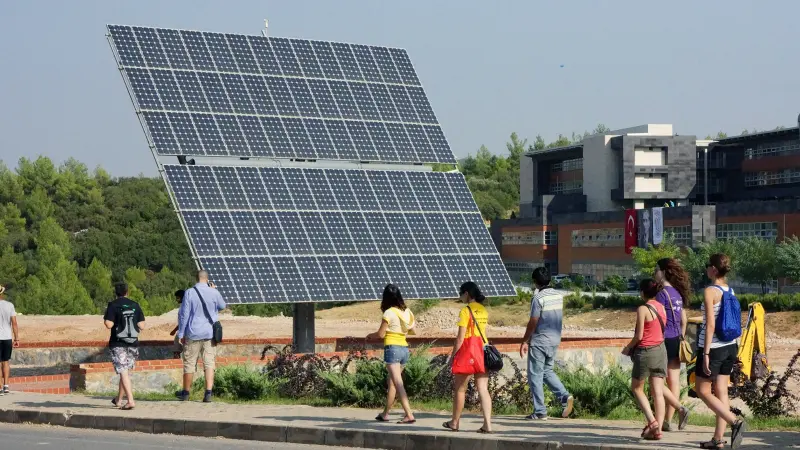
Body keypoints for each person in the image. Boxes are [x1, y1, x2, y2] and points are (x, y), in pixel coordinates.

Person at [621, 279, 686, 441]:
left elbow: (639, 336)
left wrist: (628, 347)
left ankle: (653, 422)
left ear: (642, 292)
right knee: (658, 391)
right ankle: (658, 431)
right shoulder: (661, 307)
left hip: (646, 351)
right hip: (660, 350)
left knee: (637, 388)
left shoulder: (642, 309)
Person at [695, 254, 746, 449]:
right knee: (721, 390)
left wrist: (706, 353)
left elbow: (710, 325)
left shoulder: (710, 291)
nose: (706, 269)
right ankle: (717, 439)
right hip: (730, 345)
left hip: (714, 348)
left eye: (708, 266)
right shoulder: (729, 290)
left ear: (714, 269)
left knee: (702, 390)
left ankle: (735, 422)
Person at [519, 267, 574, 420]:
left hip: (539, 341)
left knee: (535, 376)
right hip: (554, 340)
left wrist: (525, 340)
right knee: (547, 371)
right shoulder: (558, 295)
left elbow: (533, 321)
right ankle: (564, 396)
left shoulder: (538, 298)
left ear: (535, 282)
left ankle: (540, 411)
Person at [443, 282, 493, 434]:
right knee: (483, 389)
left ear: (467, 293)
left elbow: (460, 338)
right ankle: (488, 425)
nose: (460, 297)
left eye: (461, 293)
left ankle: (455, 422)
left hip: (468, 351)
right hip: (482, 350)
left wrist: (453, 356)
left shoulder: (465, 311)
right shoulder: (483, 309)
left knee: (460, 389)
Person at [367, 284, 416, 424]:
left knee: (398, 383)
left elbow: (381, 334)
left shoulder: (389, 312)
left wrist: (370, 336)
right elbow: (413, 331)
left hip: (392, 349)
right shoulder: (407, 311)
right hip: (404, 349)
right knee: (392, 383)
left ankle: (409, 415)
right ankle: (385, 413)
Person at [175, 270, 226, 403]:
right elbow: (222, 306)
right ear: (207, 279)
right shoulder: (214, 292)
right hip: (209, 334)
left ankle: (186, 393)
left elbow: (184, 315)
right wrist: (213, 291)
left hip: (193, 333)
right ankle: (208, 393)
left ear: (196, 278)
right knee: (209, 363)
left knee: (189, 363)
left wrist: (181, 333)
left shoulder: (190, 293)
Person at [653, 258, 691, 431]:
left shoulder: (661, 294)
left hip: (664, 340)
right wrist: (681, 337)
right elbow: (684, 319)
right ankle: (668, 421)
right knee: (674, 382)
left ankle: (679, 409)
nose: (654, 274)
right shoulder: (677, 293)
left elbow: (658, 319)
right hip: (676, 340)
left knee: (657, 381)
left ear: (663, 272)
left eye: (656, 270)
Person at [104, 282, 146, 410]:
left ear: (116, 293)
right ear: (128, 292)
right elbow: (142, 326)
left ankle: (131, 401)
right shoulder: (135, 305)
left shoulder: (113, 305)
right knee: (125, 372)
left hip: (118, 343)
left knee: (123, 371)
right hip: (133, 343)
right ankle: (118, 400)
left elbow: (109, 325)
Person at [0, 285, 19, 396]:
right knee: (5, 362)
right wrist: (16, 338)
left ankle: (0, 387)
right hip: (7, 337)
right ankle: (6, 386)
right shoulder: (9, 305)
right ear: (2, 293)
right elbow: (14, 323)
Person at [169, 289, 185, 359]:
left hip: (184, 332)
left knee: (177, 349)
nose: (176, 300)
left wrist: (174, 330)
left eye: (178, 298)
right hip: (182, 331)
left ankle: (176, 362)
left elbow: (183, 322)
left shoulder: (184, 308)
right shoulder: (183, 306)